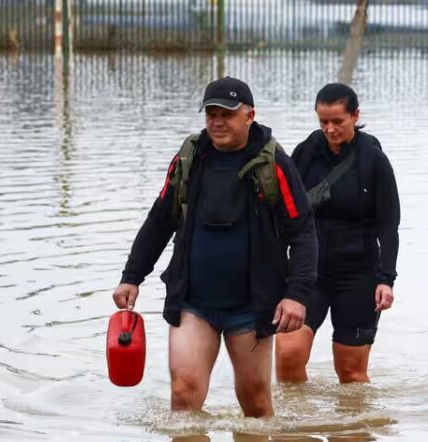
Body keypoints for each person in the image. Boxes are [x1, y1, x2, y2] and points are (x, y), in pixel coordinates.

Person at [112, 77, 316, 417]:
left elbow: (304, 232)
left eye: (227, 114)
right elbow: (160, 219)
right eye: (211, 113)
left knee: (255, 404)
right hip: (194, 302)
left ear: (250, 116)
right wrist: (132, 276)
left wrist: (297, 294)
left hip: (251, 307)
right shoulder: (190, 158)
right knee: (182, 394)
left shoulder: (275, 164)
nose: (217, 122)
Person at [275, 83, 400, 384]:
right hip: (308, 273)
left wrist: (386, 279)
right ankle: (296, 430)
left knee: (350, 373)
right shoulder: (306, 153)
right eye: (323, 122)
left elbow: (388, 225)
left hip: (358, 275)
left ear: (355, 116)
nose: (329, 129)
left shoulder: (374, 161)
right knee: (288, 356)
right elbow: (284, 212)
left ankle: (351, 430)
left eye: (337, 122)